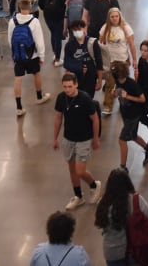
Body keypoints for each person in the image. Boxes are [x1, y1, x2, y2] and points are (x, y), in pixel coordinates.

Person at [53, 73, 102, 211]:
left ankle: (94, 185)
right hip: (68, 138)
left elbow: (95, 119)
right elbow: (58, 118)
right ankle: (78, 196)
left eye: (70, 86)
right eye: (65, 87)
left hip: (84, 139)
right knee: (72, 169)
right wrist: (55, 138)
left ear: (76, 84)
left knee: (80, 171)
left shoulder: (85, 99)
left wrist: (96, 138)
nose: (67, 90)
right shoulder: (61, 98)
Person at [94, 167, 148, 266]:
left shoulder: (103, 203)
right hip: (134, 250)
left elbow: (101, 224)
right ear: (128, 182)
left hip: (111, 253)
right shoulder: (136, 200)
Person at [8, 0, 51, 117]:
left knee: (18, 78)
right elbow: (39, 41)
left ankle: (19, 107)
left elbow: (10, 39)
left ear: (19, 7)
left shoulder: (12, 21)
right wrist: (41, 57)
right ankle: (39, 96)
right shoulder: (34, 21)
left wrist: (14, 53)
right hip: (32, 55)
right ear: (30, 6)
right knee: (36, 73)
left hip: (18, 55)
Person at [110, 60, 148, 169]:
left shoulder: (131, 84)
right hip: (125, 113)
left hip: (133, 115)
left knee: (122, 140)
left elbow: (142, 99)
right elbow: (117, 90)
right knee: (133, 136)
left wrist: (128, 97)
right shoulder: (117, 81)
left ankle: (123, 166)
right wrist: (114, 93)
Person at [98, 7, 136, 116]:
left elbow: (132, 44)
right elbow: (100, 41)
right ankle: (108, 106)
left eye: (116, 16)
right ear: (109, 18)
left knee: (122, 84)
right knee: (110, 83)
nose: (114, 18)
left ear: (119, 17)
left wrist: (134, 60)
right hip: (111, 61)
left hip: (123, 60)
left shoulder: (125, 28)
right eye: (112, 17)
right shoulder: (105, 28)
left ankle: (124, 103)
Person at [63, 19, 104, 98]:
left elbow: (99, 62)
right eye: (75, 30)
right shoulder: (69, 45)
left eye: (79, 29)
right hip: (76, 78)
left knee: (88, 98)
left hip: (91, 77)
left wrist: (100, 80)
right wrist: (79, 67)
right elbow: (66, 63)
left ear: (84, 28)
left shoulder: (92, 43)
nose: (77, 31)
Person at [39, 0, 69, 67]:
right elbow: (66, 5)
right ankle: (57, 58)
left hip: (48, 16)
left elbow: (40, 3)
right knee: (58, 37)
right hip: (59, 17)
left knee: (53, 34)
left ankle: (54, 53)